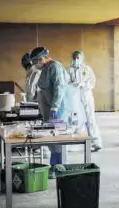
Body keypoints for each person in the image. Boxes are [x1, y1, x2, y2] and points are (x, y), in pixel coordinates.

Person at [31, 46, 66, 178]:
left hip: (56, 109)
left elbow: (60, 88)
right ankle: (53, 165)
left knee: (56, 138)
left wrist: (55, 107)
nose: (35, 64)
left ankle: (58, 167)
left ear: (41, 59)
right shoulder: (46, 68)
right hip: (49, 107)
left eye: (36, 61)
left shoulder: (55, 67)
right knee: (51, 139)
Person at [67, 50, 102, 152]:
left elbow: (92, 82)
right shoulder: (69, 70)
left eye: (78, 58)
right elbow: (66, 82)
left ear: (82, 58)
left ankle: (96, 142)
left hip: (86, 96)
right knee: (77, 120)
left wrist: (83, 85)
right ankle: (79, 143)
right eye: (74, 58)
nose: (76, 60)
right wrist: (73, 85)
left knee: (90, 119)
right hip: (75, 97)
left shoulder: (87, 69)